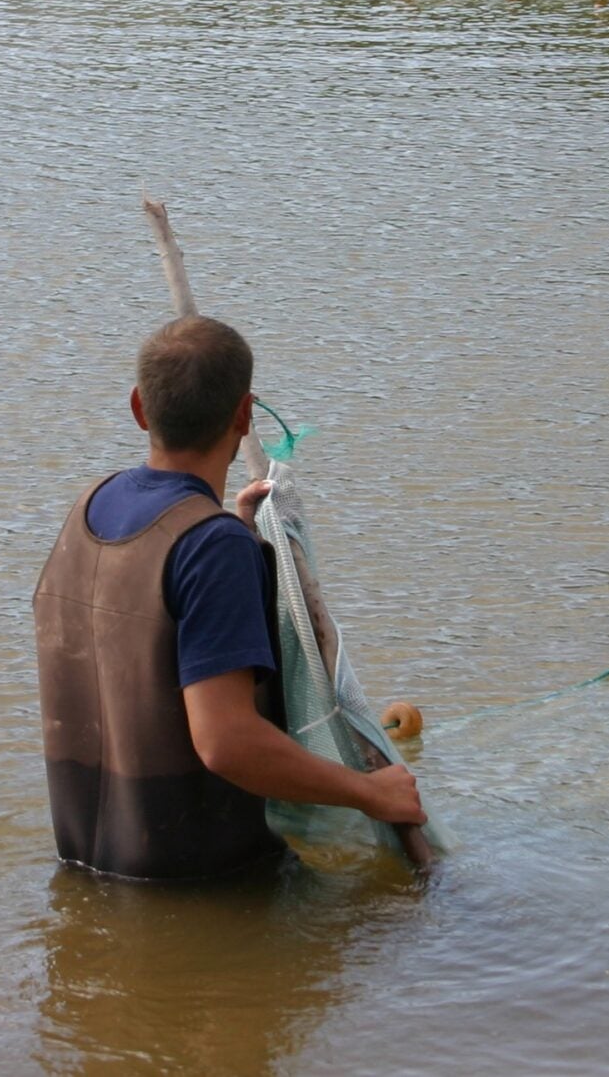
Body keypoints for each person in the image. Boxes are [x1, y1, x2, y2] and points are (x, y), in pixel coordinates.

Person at [34, 315, 425, 880]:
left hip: (88, 863)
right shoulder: (212, 548)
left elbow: (147, 621)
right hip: (195, 882)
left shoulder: (91, 504)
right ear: (244, 417)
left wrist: (239, 537)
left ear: (139, 407)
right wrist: (370, 793)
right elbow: (226, 742)